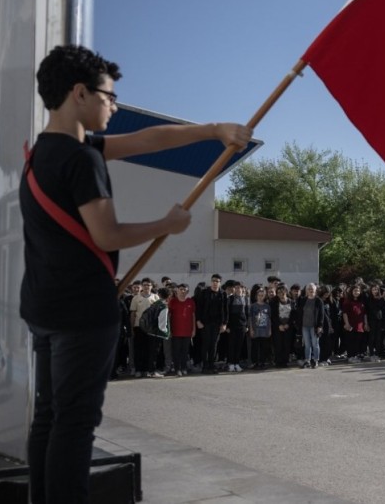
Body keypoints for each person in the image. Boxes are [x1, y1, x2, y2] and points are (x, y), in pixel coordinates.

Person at [20, 44, 249, 503]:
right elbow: (105, 234)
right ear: (79, 93)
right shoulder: (82, 159)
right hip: (82, 313)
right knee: (75, 422)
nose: (114, 105)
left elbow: (148, 140)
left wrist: (212, 130)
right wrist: (166, 225)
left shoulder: (42, 151)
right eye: (109, 96)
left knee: (49, 415)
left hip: (44, 306)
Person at [167, 284, 196, 376]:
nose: (183, 291)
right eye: (181, 289)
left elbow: (193, 316)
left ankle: (184, 368)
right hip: (175, 331)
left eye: (185, 290)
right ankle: (177, 369)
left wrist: (194, 329)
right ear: (177, 291)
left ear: (187, 292)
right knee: (176, 351)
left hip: (187, 331)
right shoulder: (172, 301)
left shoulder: (190, 301)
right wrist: (169, 330)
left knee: (185, 351)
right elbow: (168, 316)